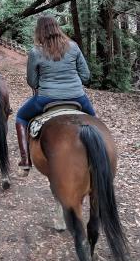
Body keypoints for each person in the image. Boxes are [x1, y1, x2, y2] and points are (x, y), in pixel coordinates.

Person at [15, 15, 95, 176]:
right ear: (58, 28)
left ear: (39, 31)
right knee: (94, 122)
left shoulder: (36, 51)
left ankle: (25, 161)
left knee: (21, 117)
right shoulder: (73, 47)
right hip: (77, 97)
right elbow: (86, 76)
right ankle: (97, 155)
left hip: (46, 99)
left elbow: (32, 81)